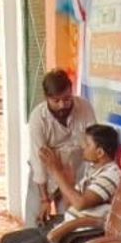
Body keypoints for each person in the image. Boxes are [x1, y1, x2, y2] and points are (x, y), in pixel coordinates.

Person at [1, 123, 121, 243]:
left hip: (76, 235)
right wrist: (68, 182)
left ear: (100, 152)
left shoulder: (111, 175)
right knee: (7, 241)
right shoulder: (94, 170)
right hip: (65, 225)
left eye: (87, 145)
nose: (83, 147)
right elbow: (72, 202)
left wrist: (55, 171)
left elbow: (80, 203)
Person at [23, 69, 96, 228]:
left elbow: (93, 144)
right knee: (35, 223)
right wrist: (44, 199)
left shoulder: (84, 108)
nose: (63, 105)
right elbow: (38, 161)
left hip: (74, 173)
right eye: (56, 101)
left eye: (67, 99)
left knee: (70, 223)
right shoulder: (38, 118)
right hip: (44, 174)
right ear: (46, 98)